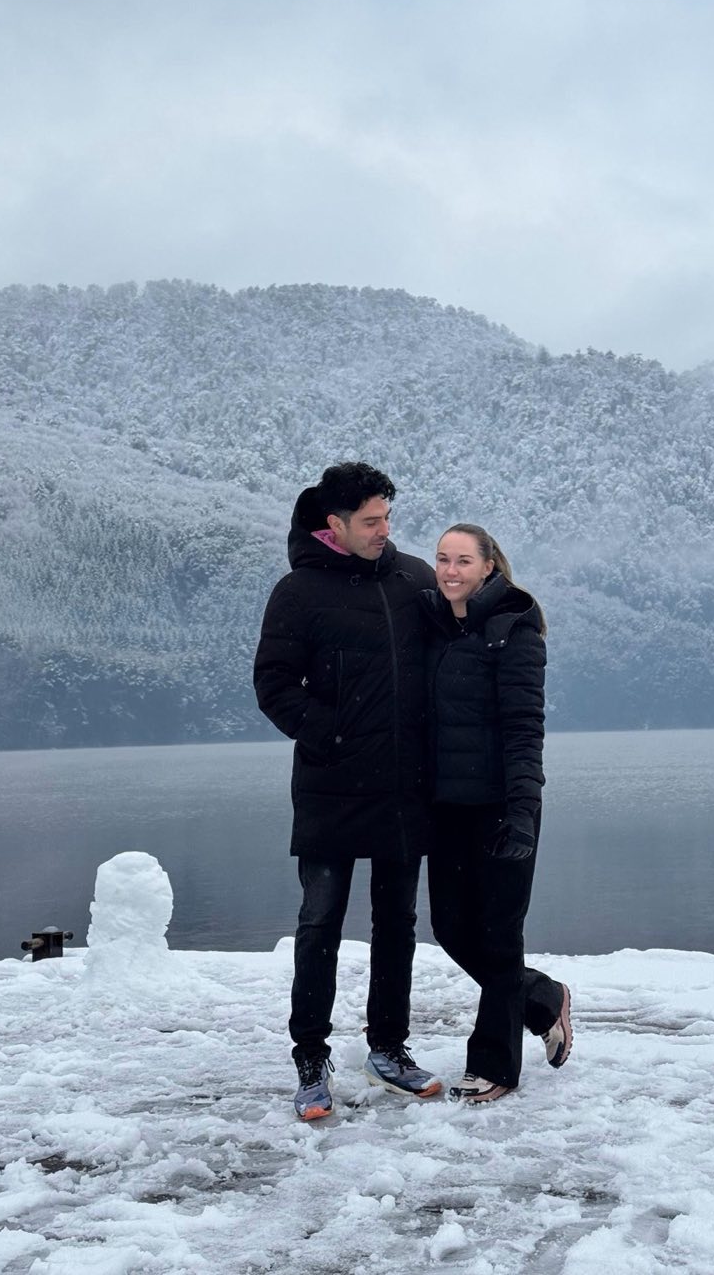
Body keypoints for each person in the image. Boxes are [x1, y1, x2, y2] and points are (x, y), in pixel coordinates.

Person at [253, 462, 443, 1120]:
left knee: (397, 924)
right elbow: (273, 685)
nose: (384, 531)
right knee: (320, 923)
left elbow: (454, 656)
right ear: (333, 523)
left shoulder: (414, 578)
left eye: (388, 517)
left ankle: (388, 1049)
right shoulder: (297, 592)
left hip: (404, 788)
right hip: (332, 786)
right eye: (371, 521)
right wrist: (330, 733)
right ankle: (311, 1059)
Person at [421, 523, 572, 1103]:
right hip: (445, 808)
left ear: (489, 567)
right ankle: (543, 997)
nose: (450, 570)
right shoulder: (434, 625)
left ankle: (495, 1065)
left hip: (502, 805)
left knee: (499, 934)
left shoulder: (515, 628)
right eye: (442, 559)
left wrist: (523, 811)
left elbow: (523, 730)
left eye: (462, 560)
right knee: (450, 928)